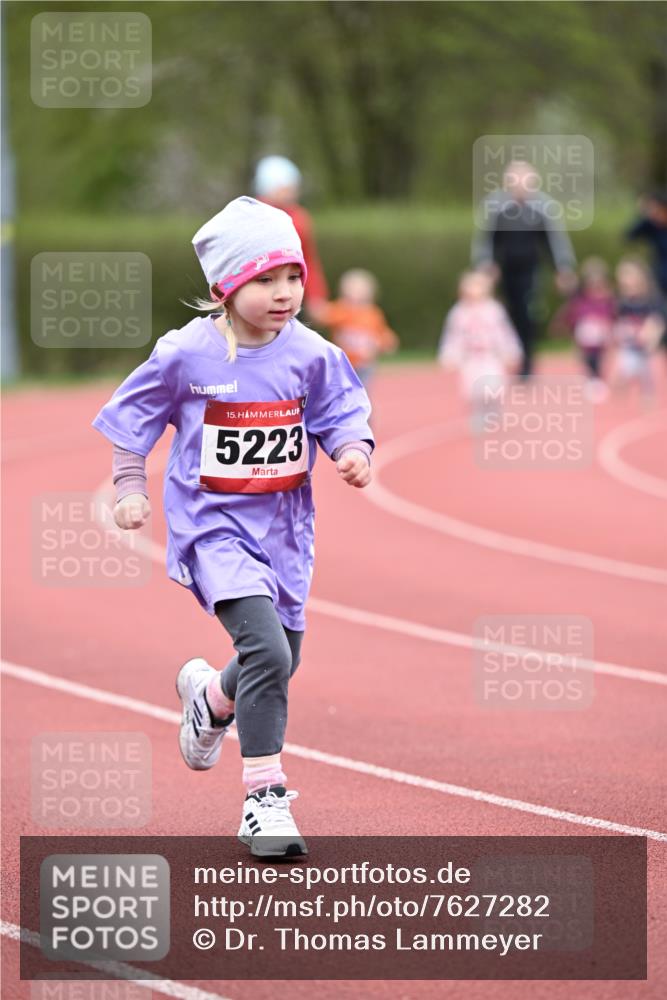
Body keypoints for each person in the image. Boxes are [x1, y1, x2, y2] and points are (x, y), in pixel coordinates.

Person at [91, 197, 374, 858]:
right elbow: (131, 424)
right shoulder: (186, 355)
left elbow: (340, 410)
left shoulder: (310, 353)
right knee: (270, 656)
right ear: (225, 287)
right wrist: (130, 491)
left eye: (293, 278)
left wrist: (352, 450)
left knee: (281, 658)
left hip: (284, 532)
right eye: (265, 281)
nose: (284, 294)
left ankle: (211, 700)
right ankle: (263, 801)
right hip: (212, 528)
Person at [471, 159, 577, 380]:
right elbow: (486, 239)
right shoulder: (496, 205)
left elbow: (554, 240)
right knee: (502, 316)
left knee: (527, 313)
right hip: (502, 272)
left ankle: (527, 365)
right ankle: (505, 361)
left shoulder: (544, 206)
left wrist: (563, 268)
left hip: (530, 270)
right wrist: (485, 264)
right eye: (515, 180)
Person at [438, 269, 523, 429]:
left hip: (490, 357)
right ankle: (478, 414)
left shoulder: (494, 310)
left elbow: (504, 332)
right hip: (470, 359)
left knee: (493, 387)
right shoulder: (458, 313)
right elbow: (453, 336)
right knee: (472, 390)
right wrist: (449, 355)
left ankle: (493, 410)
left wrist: (510, 351)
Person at [254, 155, 329, 313]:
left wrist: (316, 296)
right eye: (286, 187)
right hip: (256, 291)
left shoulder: (299, 218)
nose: (292, 193)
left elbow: (308, 259)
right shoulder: (252, 214)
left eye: (293, 187)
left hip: (288, 293)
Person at [309, 268, 399, 386]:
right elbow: (323, 316)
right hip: (343, 362)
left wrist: (387, 343)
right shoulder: (341, 309)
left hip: (365, 363)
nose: (355, 295)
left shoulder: (373, 313)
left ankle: (362, 403)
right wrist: (316, 307)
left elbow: (382, 333)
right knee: (341, 387)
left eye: (360, 291)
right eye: (352, 290)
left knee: (361, 388)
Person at [550, 257, 616, 402]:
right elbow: (569, 313)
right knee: (586, 361)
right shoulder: (580, 300)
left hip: (601, 340)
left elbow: (613, 315)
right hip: (584, 340)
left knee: (599, 360)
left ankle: (599, 380)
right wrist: (561, 325)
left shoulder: (608, 299)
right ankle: (591, 380)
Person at [611, 257, 666, 396]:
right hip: (630, 347)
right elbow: (617, 322)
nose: (624, 280)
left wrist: (651, 336)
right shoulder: (622, 302)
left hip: (648, 348)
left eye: (628, 276)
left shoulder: (652, 299)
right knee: (623, 374)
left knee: (649, 383)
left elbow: (657, 320)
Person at [625, 191, 667, 299]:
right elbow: (629, 235)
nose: (654, 213)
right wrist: (643, 214)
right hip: (662, 276)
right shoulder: (650, 225)